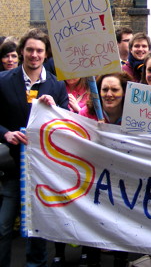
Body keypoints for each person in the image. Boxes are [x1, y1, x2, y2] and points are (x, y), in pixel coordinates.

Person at [0, 28, 69, 267]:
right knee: (3, 227)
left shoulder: (57, 86)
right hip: (12, 167)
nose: (34, 55)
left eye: (39, 50)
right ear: (21, 52)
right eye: (29, 49)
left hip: (42, 170)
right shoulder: (3, 81)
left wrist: (55, 111)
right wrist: (5, 133)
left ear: (46, 54)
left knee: (38, 231)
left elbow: (66, 126)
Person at [78, 72, 131, 266]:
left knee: (123, 223)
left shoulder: (134, 115)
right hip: (95, 179)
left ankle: (121, 259)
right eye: (105, 89)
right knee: (94, 224)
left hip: (124, 181)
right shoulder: (87, 114)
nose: (109, 94)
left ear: (124, 93)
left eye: (115, 89)